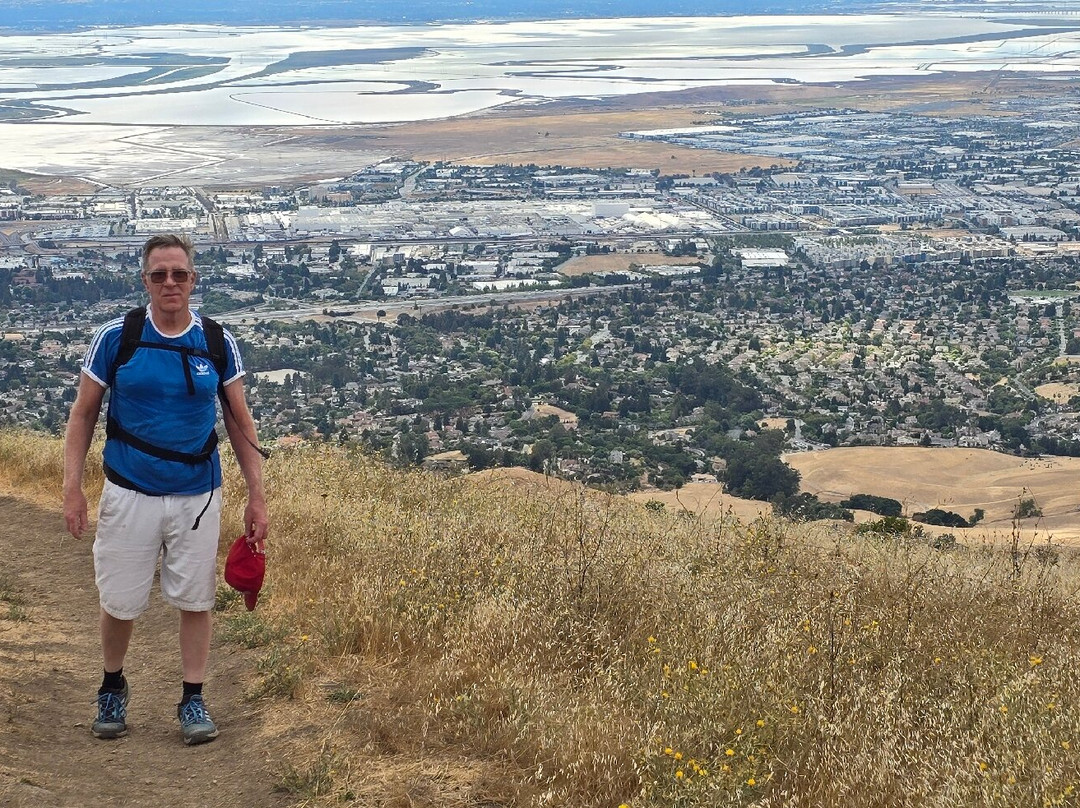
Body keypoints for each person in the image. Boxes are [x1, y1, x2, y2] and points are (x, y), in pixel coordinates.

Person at [62, 233, 269, 745]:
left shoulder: (217, 341)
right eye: (160, 274)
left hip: (198, 493)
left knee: (196, 599)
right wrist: (72, 486)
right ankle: (112, 686)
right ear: (145, 281)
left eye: (179, 273)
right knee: (120, 599)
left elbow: (240, 424)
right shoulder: (117, 336)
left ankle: (193, 698)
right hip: (128, 490)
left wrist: (257, 496)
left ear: (194, 280)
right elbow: (84, 412)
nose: (170, 282)